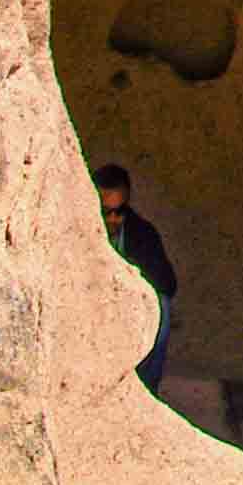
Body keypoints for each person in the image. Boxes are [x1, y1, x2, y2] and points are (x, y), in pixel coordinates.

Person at [93, 162, 176, 392]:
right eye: (104, 211)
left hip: (128, 307)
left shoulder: (141, 233)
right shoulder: (75, 229)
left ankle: (145, 390)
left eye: (119, 211)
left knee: (163, 308)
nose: (112, 220)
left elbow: (167, 284)